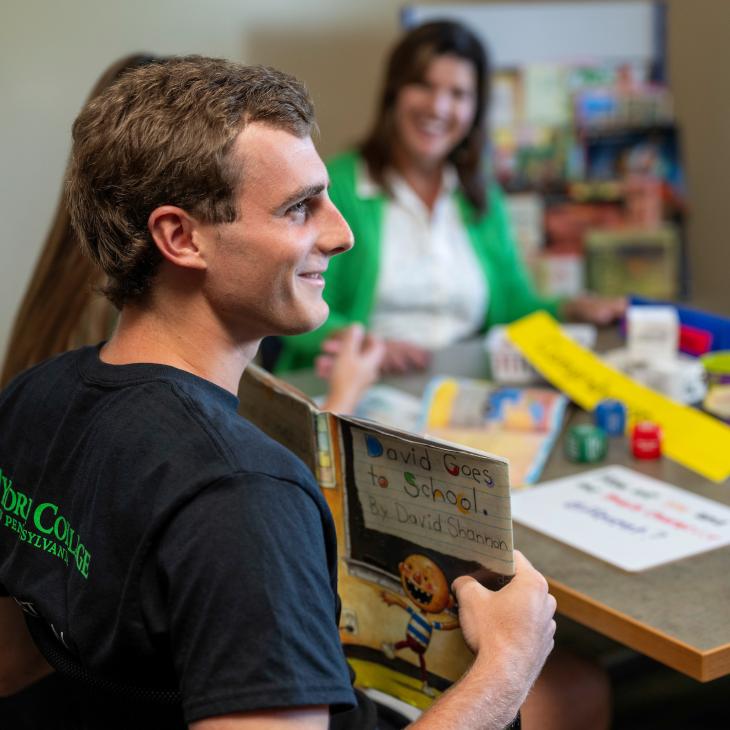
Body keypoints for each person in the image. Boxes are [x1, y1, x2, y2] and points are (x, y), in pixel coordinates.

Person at [0, 55, 557, 729]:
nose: (341, 233)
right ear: (180, 237)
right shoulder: (242, 495)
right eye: (299, 209)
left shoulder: (34, 397)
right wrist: (508, 665)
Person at [276, 21, 625, 374]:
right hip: (352, 388)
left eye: (458, 94)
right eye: (423, 85)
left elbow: (511, 305)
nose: (439, 107)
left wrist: (569, 310)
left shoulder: (482, 196)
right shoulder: (337, 187)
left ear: (475, 109)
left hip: (459, 391)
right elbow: (289, 298)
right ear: (394, 92)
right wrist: (370, 346)